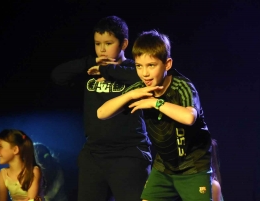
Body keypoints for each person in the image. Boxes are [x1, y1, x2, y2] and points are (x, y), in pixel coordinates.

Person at [97, 30, 213, 201]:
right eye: (139, 66)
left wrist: (155, 103)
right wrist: (130, 95)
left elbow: (189, 117)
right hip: (163, 168)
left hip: (193, 168)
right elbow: (101, 113)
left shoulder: (182, 86)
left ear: (167, 64)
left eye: (151, 65)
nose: (145, 73)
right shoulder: (141, 88)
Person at [51, 16, 151, 201]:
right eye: (98, 43)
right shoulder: (91, 70)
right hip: (94, 155)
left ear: (124, 44)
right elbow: (58, 75)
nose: (102, 49)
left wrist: (106, 70)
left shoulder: (135, 69)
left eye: (108, 43)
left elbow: (143, 80)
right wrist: (92, 63)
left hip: (128, 154)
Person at [0, 129, 43, 201]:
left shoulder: (33, 171)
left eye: (0, 146)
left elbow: (31, 199)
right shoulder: (2, 174)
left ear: (15, 150)